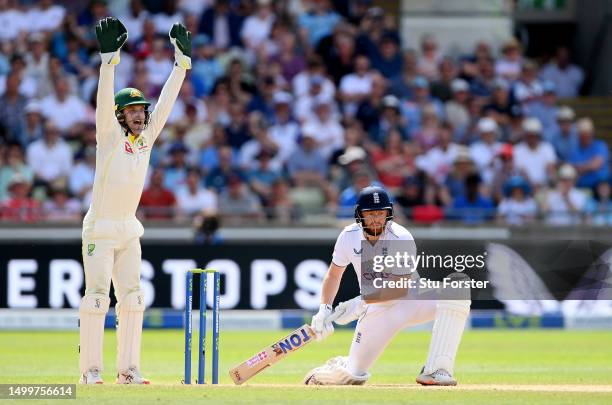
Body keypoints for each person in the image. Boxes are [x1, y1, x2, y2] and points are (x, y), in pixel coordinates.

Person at [79, 17, 191, 385]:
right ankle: (91, 373)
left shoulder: (146, 138)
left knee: (133, 299)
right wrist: (109, 61)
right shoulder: (109, 137)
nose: (141, 114)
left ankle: (128, 371)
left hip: (129, 227)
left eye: (142, 110)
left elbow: (167, 101)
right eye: (133, 111)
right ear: (120, 117)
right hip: (101, 226)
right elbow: (102, 103)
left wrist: (181, 66)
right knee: (97, 299)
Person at [304, 187, 470, 386]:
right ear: (360, 215)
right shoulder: (348, 236)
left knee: (457, 290)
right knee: (351, 377)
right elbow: (333, 275)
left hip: (413, 301)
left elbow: (400, 287)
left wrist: (359, 302)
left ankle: (436, 370)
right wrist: (324, 310)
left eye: (380, 213)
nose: (376, 219)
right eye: (370, 213)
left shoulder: (401, 237)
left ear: (388, 214)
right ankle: (337, 368)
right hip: (378, 312)